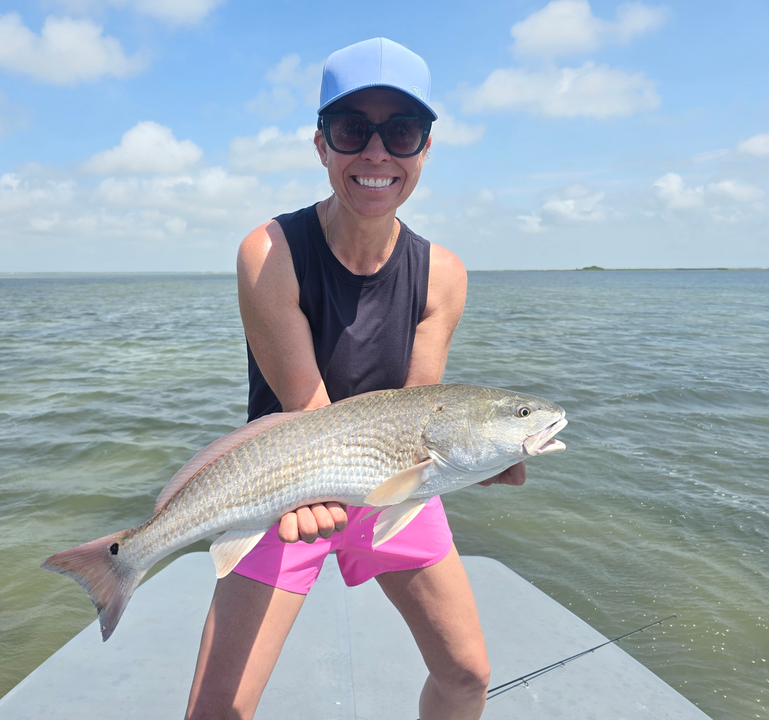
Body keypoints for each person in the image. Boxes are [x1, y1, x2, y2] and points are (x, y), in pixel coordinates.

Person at [186, 38, 525, 720]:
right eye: (352, 130)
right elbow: (311, 415)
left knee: (467, 674)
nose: (377, 154)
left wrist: (467, 462)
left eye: (401, 133)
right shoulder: (270, 252)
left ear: (425, 148)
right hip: (285, 482)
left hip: (395, 484)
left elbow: (417, 414)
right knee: (216, 712)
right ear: (321, 145)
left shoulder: (444, 275)